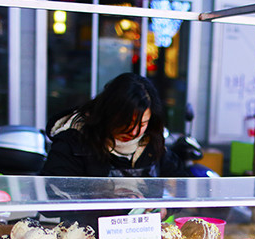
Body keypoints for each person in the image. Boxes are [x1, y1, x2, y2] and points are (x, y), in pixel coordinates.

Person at [40, 72, 188, 178]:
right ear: (108, 113)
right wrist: (107, 198)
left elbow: (180, 184)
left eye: (142, 124)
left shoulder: (152, 141)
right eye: (126, 123)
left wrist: (165, 208)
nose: (134, 132)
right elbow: (55, 198)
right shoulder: (73, 142)